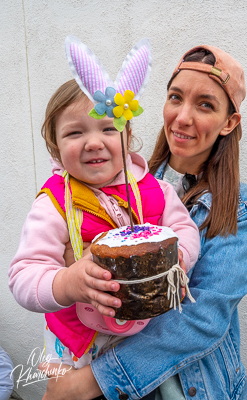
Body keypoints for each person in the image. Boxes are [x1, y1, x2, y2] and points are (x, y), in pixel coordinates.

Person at [39, 44, 247, 400]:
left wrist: (88, 382)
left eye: (205, 104)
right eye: (176, 97)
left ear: (229, 122)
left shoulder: (239, 209)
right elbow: (56, 271)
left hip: (191, 386)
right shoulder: (114, 184)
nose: (183, 117)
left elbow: (202, 317)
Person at [8, 74, 200, 368]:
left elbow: (185, 229)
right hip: (77, 346)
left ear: (128, 134)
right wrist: (68, 282)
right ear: (55, 145)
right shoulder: (53, 205)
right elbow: (23, 276)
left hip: (143, 337)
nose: (94, 143)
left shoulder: (155, 190)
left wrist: (179, 260)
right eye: (75, 133)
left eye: (108, 129)